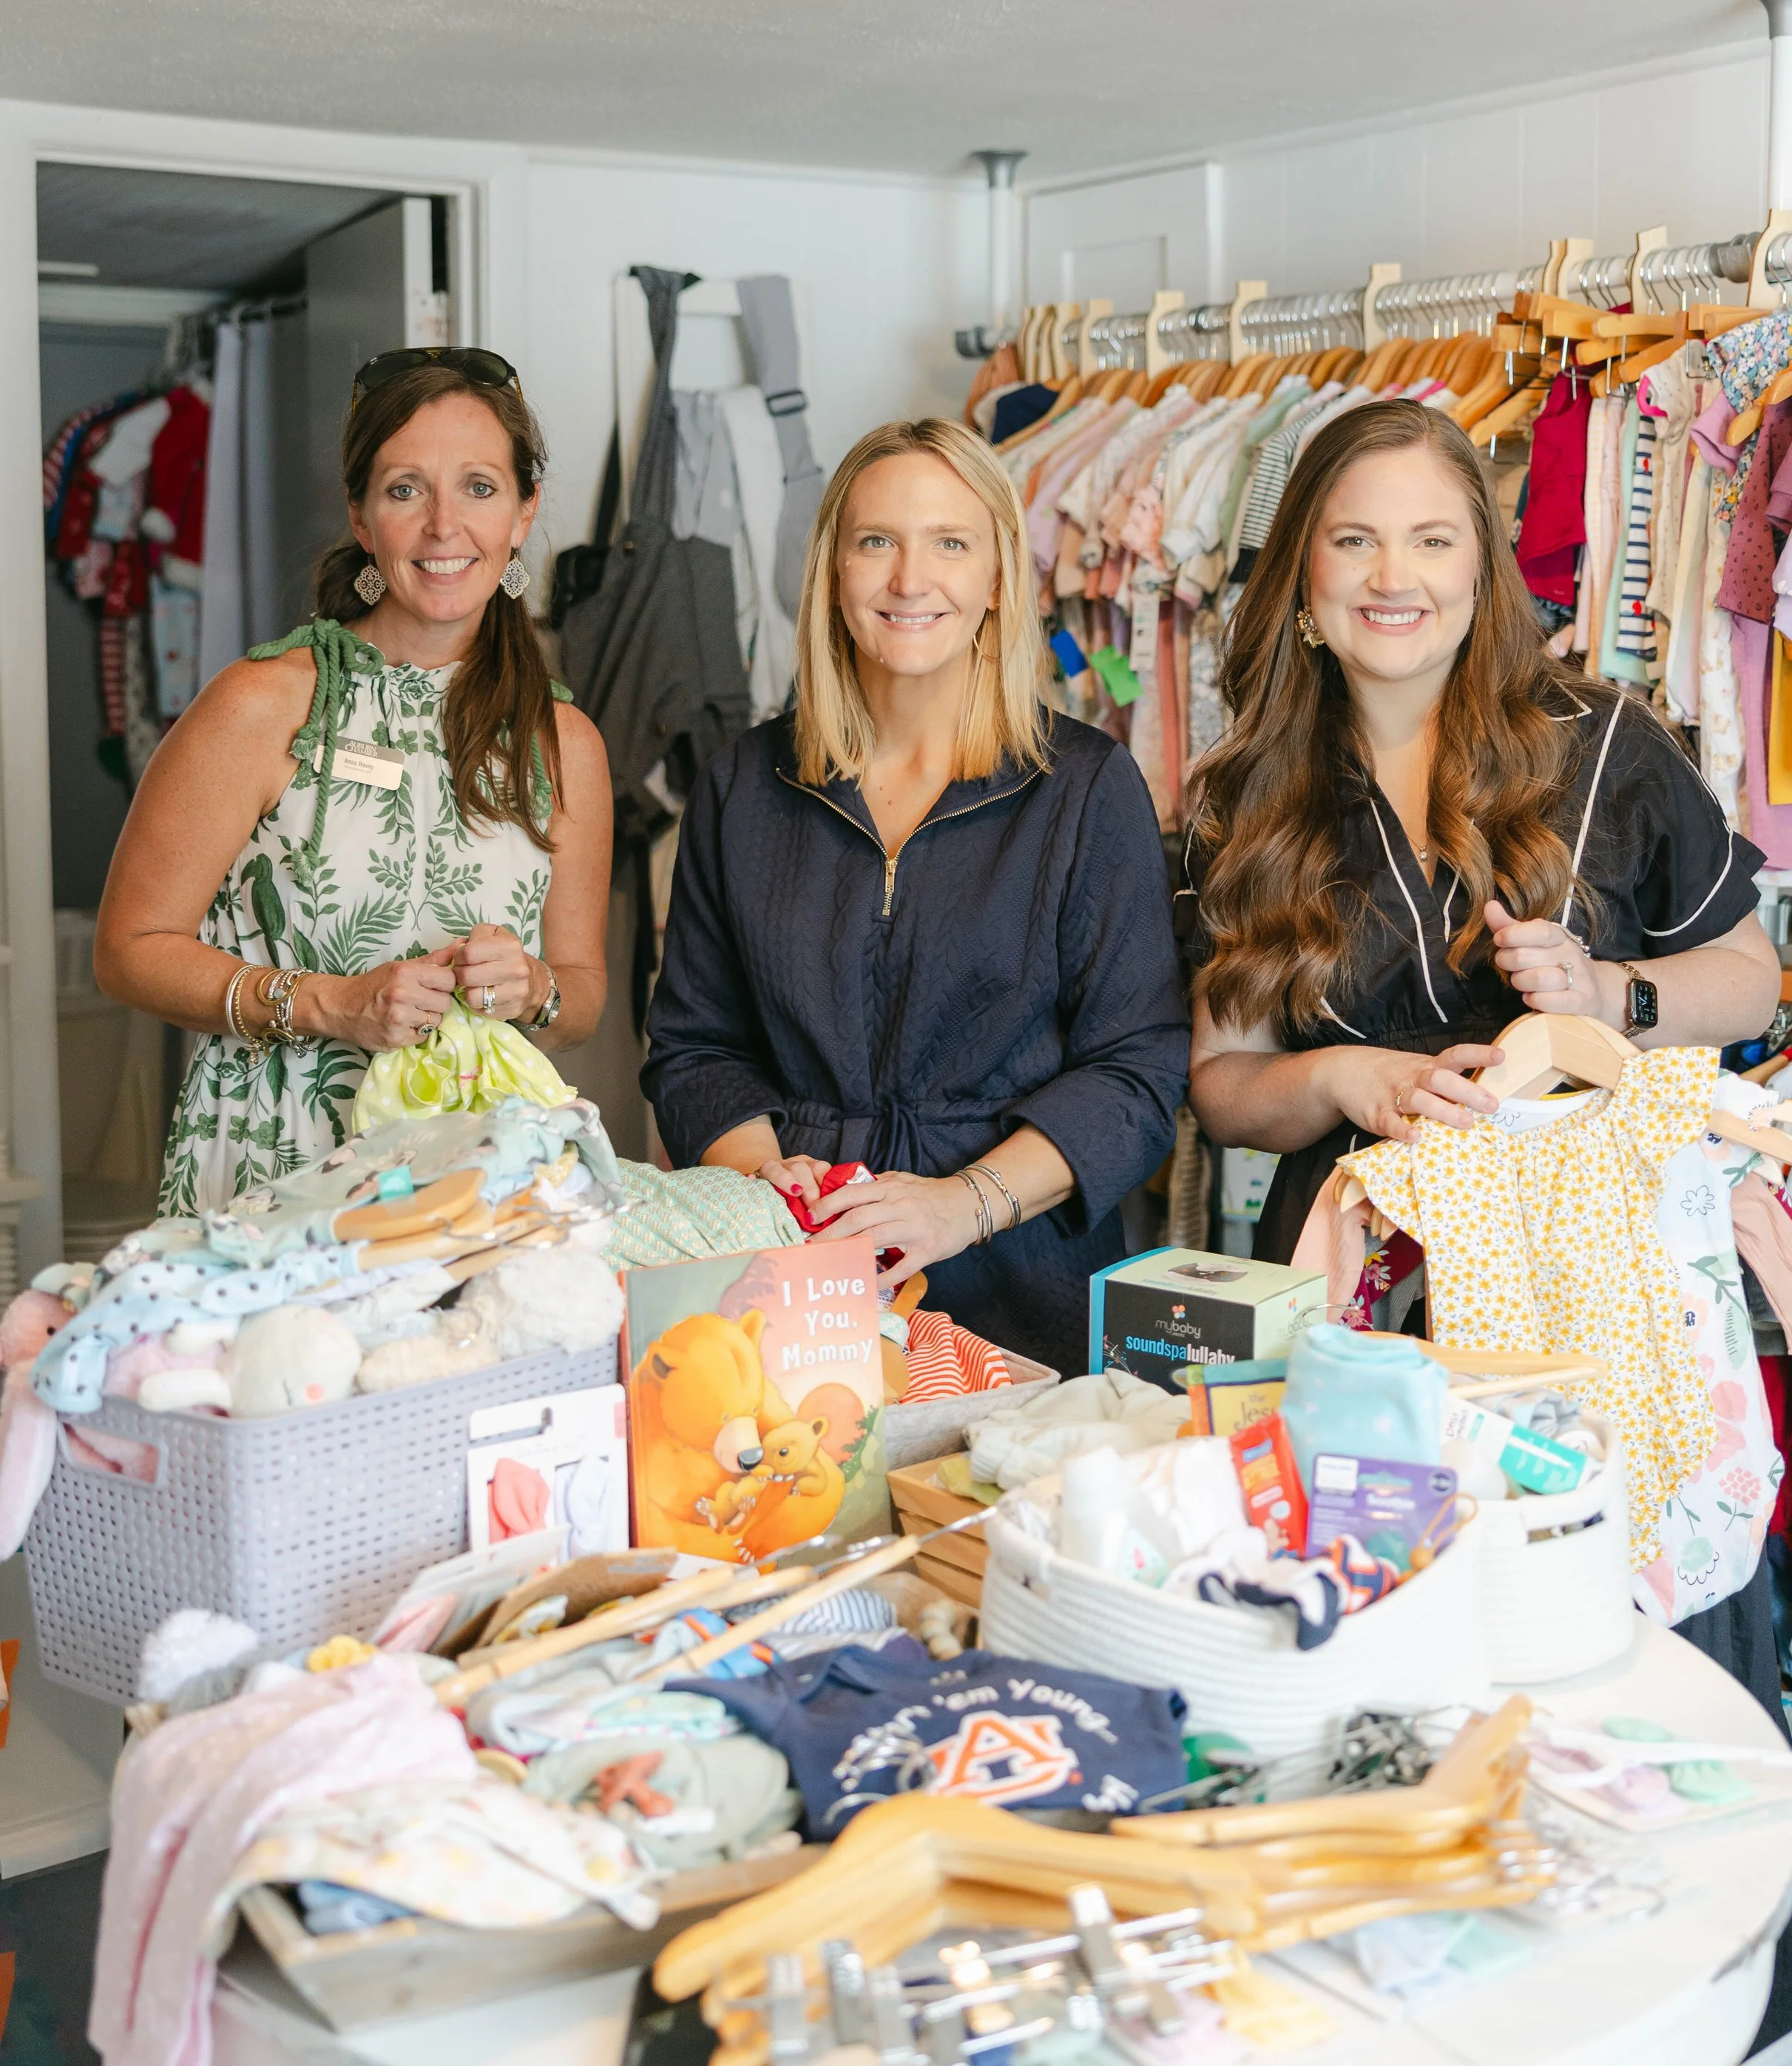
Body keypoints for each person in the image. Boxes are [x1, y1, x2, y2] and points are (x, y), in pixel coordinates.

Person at [1187, 395, 1792, 2037]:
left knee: (1650, 1689)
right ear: (1301, 575)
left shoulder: (1601, 744)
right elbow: (1224, 1086)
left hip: (1605, 1311)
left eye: (1429, 539)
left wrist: (1609, 993)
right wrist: (1342, 1081)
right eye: (1353, 540)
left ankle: (1725, 2049)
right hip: (1366, 1329)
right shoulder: (1242, 796)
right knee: (1404, 1705)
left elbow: (1748, 977)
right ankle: (1459, 2056)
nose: (1390, 576)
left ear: (1483, 568)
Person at [641, 417, 1189, 1379]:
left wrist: (960, 1204)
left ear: (998, 577)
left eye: (949, 543)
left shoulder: (1083, 788)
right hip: (793, 1284)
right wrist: (768, 1182)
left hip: (1023, 1291)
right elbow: (695, 1048)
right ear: (833, 571)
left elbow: (1136, 1073)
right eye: (876, 542)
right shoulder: (743, 786)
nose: (909, 578)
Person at [94, 348, 613, 1214]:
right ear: (363, 519)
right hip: (275, 1174)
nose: (444, 526)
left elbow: (582, 995)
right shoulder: (262, 704)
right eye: (406, 489)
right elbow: (128, 951)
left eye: (479, 487)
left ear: (523, 513)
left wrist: (536, 988)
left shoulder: (563, 744)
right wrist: (328, 1005)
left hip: (477, 1188)